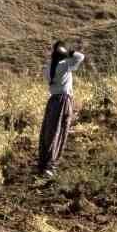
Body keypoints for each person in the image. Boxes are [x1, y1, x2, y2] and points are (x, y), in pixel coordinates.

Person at [37, 40, 86, 178]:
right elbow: (80, 57)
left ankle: (43, 163)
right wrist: (69, 51)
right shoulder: (64, 65)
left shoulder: (49, 67)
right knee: (59, 131)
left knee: (48, 131)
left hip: (52, 100)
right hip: (63, 101)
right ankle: (50, 166)